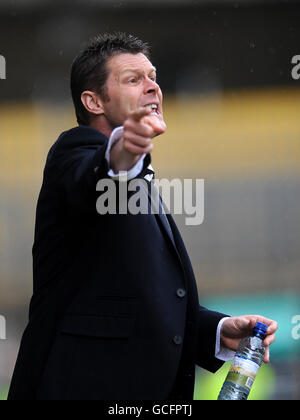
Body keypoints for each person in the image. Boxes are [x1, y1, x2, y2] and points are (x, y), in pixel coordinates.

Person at [8, 32, 277, 401]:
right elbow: (96, 176)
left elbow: (135, 304)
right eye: (134, 80)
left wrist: (216, 331)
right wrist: (121, 151)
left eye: (153, 76)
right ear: (93, 101)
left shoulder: (138, 180)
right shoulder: (76, 152)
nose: (152, 87)